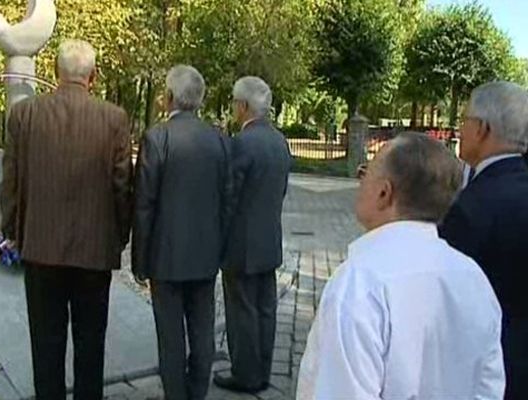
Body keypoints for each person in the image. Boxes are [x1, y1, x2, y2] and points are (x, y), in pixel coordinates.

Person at [298, 132, 504, 400]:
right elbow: (489, 386)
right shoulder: (473, 277)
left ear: (384, 192)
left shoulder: (361, 281)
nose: (359, 184)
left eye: (364, 174)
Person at [0, 39, 133, 400]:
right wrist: (120, 236)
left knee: (46, 344)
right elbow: (122, 186)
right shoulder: (114, 119)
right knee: (91, 345)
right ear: (93, 75)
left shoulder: (24, 115)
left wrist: (11, 231)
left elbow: (10, 180)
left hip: (40, 247)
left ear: (56, 73)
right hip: (94, 251)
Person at [131, 65, 231, 400]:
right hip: (205, 256)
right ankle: (197, 393)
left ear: (169, 97)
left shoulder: (157, 138)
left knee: (170, 337)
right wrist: (222, 249)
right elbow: (227, 200)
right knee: (203, 332)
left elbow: (144, 204)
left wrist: (139, 261)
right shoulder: (219, 139)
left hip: (166, 257)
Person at [439, 81, 528, 400]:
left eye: (463, 120)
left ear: (483, 129)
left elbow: (446, 300)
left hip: (490, 369)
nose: (459, 130)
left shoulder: (473, 206)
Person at [213, 77, 291, 393]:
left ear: (243, 106)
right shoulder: (279, 141)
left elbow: (228, 196)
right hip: (269, 238)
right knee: (265, 309)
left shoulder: (242, 144)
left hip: (241, 244)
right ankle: (262, 371)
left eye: (233, 101)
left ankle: (245, 374)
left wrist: (218, 236)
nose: (232, 107)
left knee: (242, 310)